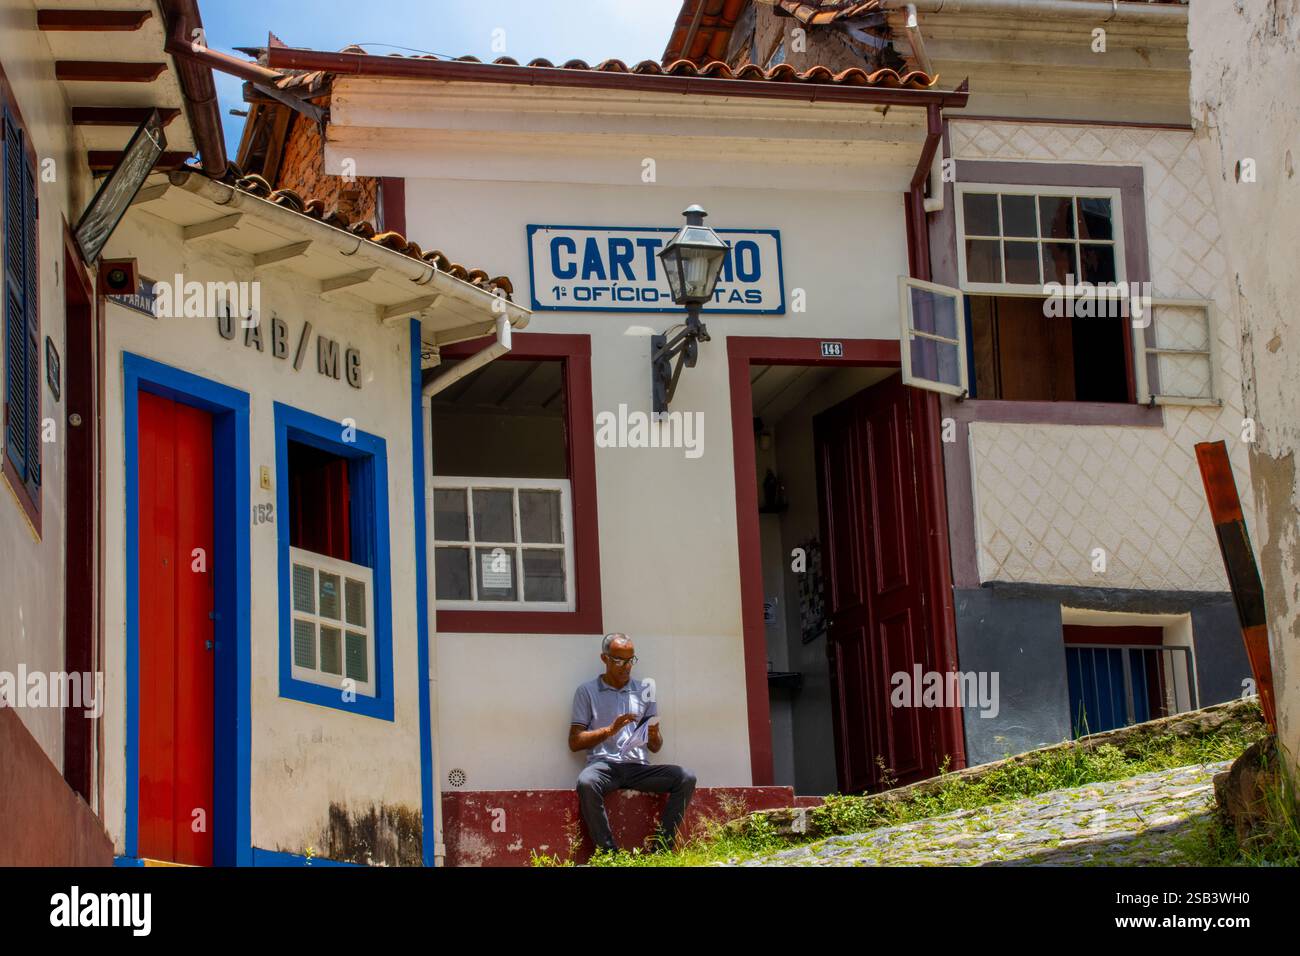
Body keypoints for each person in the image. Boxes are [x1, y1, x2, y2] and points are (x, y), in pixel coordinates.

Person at [568, 633, 696, 853]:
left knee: (685, 777)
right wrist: (609, 731)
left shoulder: (644, 691)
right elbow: (575, 741)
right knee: (586, 783)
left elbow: (655, 747)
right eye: (618, 660)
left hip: (638, 768)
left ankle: (661, 848)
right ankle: (609, 854)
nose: (626, 667)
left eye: (630, 660)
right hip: (604, 767)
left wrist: (654, 734)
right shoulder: (586, 691)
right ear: (604, 658)